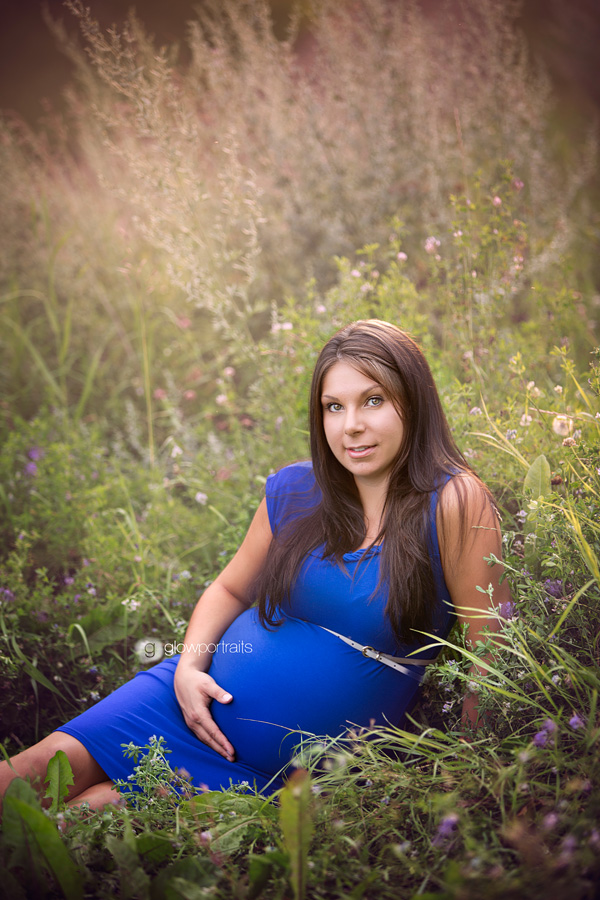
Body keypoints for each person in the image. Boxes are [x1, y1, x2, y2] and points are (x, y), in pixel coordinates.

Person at [0, 320, 509, 810]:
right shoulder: (295, 491)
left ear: (413, 403)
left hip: (277, 778)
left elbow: (493, 656)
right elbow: (230, 590)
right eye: (334, 407)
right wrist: (190, 669)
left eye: (372, 400)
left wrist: (462, 782)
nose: (351, 425)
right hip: (184, 707)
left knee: (84, 821)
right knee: (30, 774)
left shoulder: (454, 502)